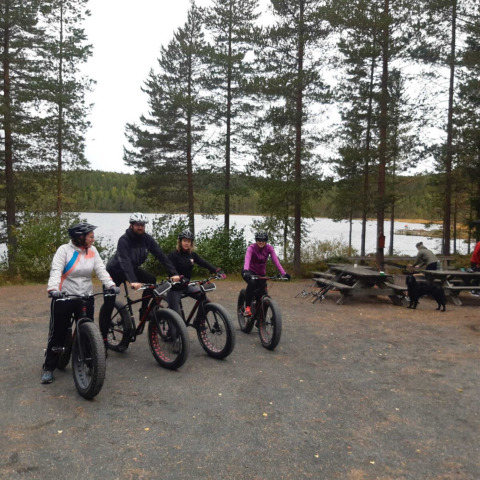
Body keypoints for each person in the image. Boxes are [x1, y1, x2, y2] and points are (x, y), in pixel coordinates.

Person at [41, 223, 118, 384]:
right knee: (58, 333)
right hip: (64, 296)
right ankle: (49, 367)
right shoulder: (64, 251)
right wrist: (53, 289)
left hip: (86, 296)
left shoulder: (92, 251)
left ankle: (91, 363)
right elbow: (56, 270)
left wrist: (110, 285)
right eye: (90, 236)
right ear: (80, 237)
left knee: (88, 332)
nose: (93, 239)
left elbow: (101, 269)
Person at [100, 213, 180, 347]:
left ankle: (144, 311)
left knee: (151, 280)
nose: (140, 227)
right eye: (137, 225)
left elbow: (161, 255)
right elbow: (124, 261)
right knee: (109, 305)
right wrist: (133, 280)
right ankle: (103, 341)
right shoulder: (124, 240)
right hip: (115, 271)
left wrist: (173, 273)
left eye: (142, 225)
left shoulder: (147, 239)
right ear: (131, 225)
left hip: (132, 268)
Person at [166, 230, 226, 316]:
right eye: (184, 241)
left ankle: (198, 322)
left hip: (186, 285)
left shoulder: (191, 255)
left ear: (191, 243)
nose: (186, 243)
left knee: (204, 299)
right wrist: (178, 277)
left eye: (189, 241)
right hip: (175, 288)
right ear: (180, 242)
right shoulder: (173, 255)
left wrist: (217, 270)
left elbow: (203, 263)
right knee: (175, 317)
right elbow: (171, 269)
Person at [241, 231, 290, 316]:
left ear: (266, 241)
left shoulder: (269, 248)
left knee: (263, 295)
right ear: (256, 240)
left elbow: (276, 261)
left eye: (263, 240)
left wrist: (283, 273)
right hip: (249, 271)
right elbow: (247, 259)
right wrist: (246, 270)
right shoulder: (251, 248)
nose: (261, 242)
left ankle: (259, 319)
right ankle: (248, 307)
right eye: (259, 240)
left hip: (261, 274)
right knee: (252, 284)